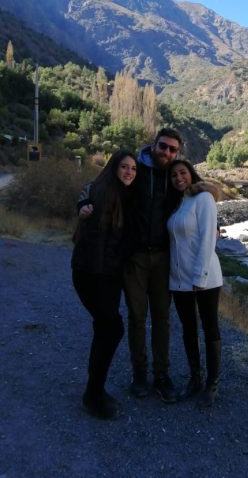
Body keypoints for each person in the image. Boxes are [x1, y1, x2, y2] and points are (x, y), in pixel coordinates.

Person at [71, 149, 137, 420]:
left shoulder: (121, 193)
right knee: (111, 327)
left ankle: (94, 390)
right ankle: (93, 394)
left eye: (133, 168)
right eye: (124, 167)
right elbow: (97, 242)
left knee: (105, 328)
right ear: (113, 168)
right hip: (93, 274)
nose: (129, 172)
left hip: (107, 275)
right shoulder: (104, 193)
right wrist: (104, 279)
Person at [123, 128, 183, 402]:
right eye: (163, 147)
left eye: (172, 150)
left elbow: (199, 187)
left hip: (163, 258)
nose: (167, 153)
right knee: (137, 317)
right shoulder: (135, 168)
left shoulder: (175, 174)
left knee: (161, 318)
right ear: (153, 144)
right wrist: (85, 202)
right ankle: (139, 373)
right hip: (134, 257)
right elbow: (102, 185)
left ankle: (161, 375)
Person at [167, 160, 223, 407]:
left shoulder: (203, 199)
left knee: (210, 328)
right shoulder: (178, 203)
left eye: (182, 173)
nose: (178, 178)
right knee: (188, 330)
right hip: (179, 281)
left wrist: (199, 277)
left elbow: (207, 239)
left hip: (205, 279)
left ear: (191, 174)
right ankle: (195, 379)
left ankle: (212, 384)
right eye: (173, 175)